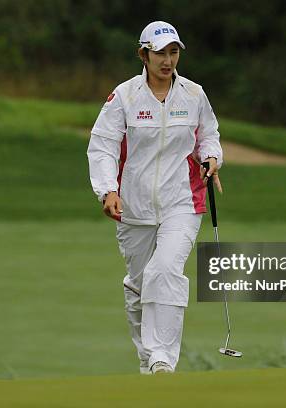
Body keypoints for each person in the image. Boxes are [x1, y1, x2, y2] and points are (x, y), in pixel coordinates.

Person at [87, 21, 223, 374]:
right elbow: (103, 146)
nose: (167, 60)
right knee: (139, 283)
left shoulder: (194, 94)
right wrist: (108, 190)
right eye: (160, 52)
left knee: (165, 271)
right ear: (143, 54)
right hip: (134, 205)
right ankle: (148, 361)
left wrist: (211, 156)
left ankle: (163, 358)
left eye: (173, 52)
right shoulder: (124, 97)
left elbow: (208, 135)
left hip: (183, 201)